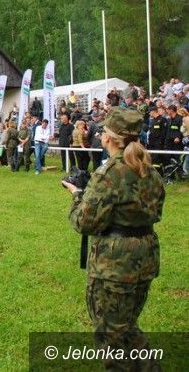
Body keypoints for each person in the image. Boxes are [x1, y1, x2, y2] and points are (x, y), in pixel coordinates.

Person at [63, 108, 164, 370]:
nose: (100, 137)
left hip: (115, 265)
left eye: (102, 133)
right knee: (126, 326)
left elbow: (84, 222)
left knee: (110, 335)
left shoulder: (109, 174)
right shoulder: (149, 171)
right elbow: (155, 212)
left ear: (109, 138)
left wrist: (77, 195)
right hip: (144, 259)